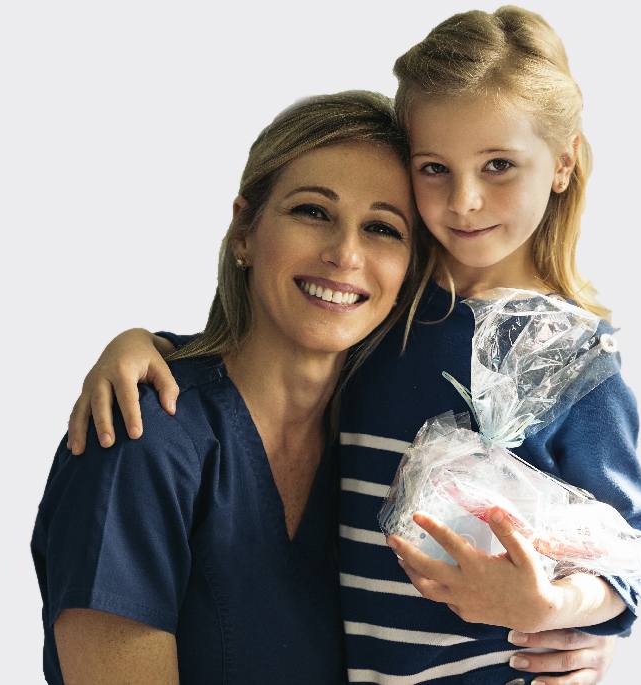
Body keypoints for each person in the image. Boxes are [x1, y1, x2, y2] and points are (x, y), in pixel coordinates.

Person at [63, 7, 641, 684]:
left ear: (561, 163)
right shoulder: (391, 319)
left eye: (497, 165)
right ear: (245, 229)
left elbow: (633, 554)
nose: (464, 201)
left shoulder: (562, 357)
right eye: (435, 168)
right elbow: (251, 365)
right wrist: (140, 342)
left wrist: (563, 607)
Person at [32, 90, 421, 684]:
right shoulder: (143, 435)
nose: (345, 253)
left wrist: (582, 630)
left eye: (382, 228)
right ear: (245, 231)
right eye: (312, 211)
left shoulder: (387, 457)